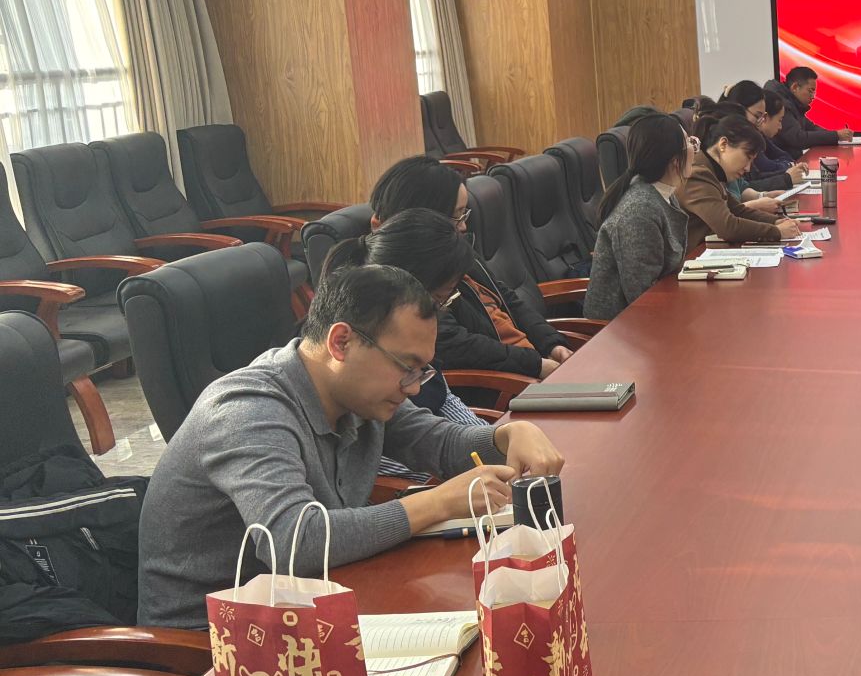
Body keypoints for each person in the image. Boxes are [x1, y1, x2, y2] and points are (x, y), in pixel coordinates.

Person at [136, 264, 565, 629]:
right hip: (217, 644)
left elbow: (439, 443)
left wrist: (508, 435)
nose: (414, 388)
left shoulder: (357, 394)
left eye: (421, 370)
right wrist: (437, 502)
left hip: (312, 605)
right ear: (341, 342)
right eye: (406, 367)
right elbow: (295, 542)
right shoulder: (247, 410)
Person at [324, 213, 505, 480]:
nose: (415, 388)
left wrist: (500, 440)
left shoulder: (381, 382)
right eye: (440, 298)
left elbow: (435, 438)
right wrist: (443, 495)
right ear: (341, 342)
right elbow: (306, 517)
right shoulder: (268, 411)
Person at [368, 156, 572, 378]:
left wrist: (551, 343)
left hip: (533, 365)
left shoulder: (455, 247)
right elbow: (455, 343)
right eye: (455, 217)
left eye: (463, 214)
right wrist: (537, 365)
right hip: (506, 383)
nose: (464, 226)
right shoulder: (405, 281)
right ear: (421, 219)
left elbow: (505, 296)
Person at [587, 113, 694, 319]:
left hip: (656, 312)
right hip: (620, 327)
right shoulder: (639, 211)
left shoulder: (662, 192)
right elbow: (642, 295)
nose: (694, 148)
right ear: (675, 161)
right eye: (689, 142)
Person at [683, 116, 803, 247]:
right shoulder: (698, 173)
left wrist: (776, 221)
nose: (748, 168)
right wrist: (777, 231)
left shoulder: (712, 170)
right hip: (692, 254)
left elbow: (738, 210)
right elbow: (727, 227)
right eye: (747, 157)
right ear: (723, 144)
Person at [776, 66, 852, 149]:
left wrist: (837, 135)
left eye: (814, 92)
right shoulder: (780, 105)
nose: (813, 97)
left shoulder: (794, 104)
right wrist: (836, 135)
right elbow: (798, 138)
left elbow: (811, 128)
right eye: (810, 91)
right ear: (795, 87)